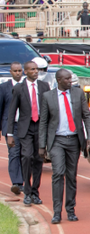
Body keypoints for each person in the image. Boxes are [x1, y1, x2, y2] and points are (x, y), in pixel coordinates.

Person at [38, 69, 90, 224]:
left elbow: (87, 116)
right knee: (58, 174)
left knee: (71, 176)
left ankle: (70, 210)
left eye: (71, 79)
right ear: (59, 80)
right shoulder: (48, 97)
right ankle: (56, 212)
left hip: (74, 141)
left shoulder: (78, 94)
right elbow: (43, 122)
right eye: (67, 79)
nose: (71, 81)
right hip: (57, 141)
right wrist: (42, 145)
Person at [3, 61, 51, 206]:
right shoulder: (18, 88)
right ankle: (27, 192)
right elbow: (12, 112)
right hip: (25, 128)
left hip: (40, 127)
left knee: (38, 159)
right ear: (25, 71)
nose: (36, 71)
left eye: (37, 69)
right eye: (32, 69)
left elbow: (48, 109)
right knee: (27, 157)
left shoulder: (44, 86)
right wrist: (10, 133)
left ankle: (35, 192)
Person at [1, 62, 25, 195]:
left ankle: (23, 179)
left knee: (25, 154)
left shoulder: (26, 87)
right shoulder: (4, 88)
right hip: (11, 126)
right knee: (14, 153)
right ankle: (17, 183)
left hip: (25, 126)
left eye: (19, 70)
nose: (17, 73)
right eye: (15, 71)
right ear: (10, 72)